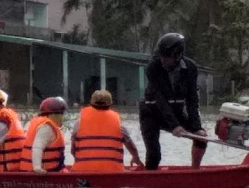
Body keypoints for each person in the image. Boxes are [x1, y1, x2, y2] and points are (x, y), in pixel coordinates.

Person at [139, 32, 207, 170]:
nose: (162, 60)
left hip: (175, 111)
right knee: (154, 155)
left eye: (166, 56)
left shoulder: (190, 67)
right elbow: (159, 99)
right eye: (160, 56)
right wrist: (174, 125)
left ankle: (195, 172)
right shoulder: (153, 67)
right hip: (151, 112)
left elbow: (192, 99)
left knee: (201, 139)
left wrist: (197, 127)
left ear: (177, 55)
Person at [70, 90, 144, 172]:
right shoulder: (119, 125)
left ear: (91, 104)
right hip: (113, 171)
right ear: (110, 104)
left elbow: (73, 150)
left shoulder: (78, 124)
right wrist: (136, 158)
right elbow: (131, 146)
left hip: (82, 170)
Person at [20, 96, 67, 174]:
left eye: (62, 113)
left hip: (50, 170)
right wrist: (37, 167)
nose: (62, 116)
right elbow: (37, 147)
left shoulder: (42, 124)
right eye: (59, 113)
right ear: (50, 114)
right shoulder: (46, 127)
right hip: (41, 173)